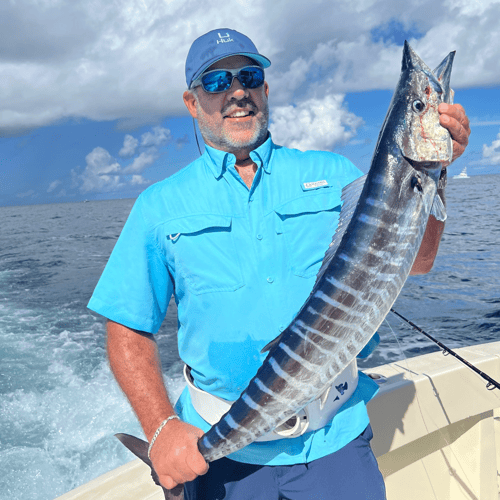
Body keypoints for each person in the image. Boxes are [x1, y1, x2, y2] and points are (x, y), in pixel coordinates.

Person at [88, 28, 470, 500]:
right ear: (192, 102)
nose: (237, 92)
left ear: (265, 90)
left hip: (335, 442)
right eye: (216, 82)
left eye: (249, 76)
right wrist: (162, 427)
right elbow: (126, 330)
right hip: (224, 456)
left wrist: (437, 170)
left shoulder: (333, 174)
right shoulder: (158, 205)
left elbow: (419, 260)